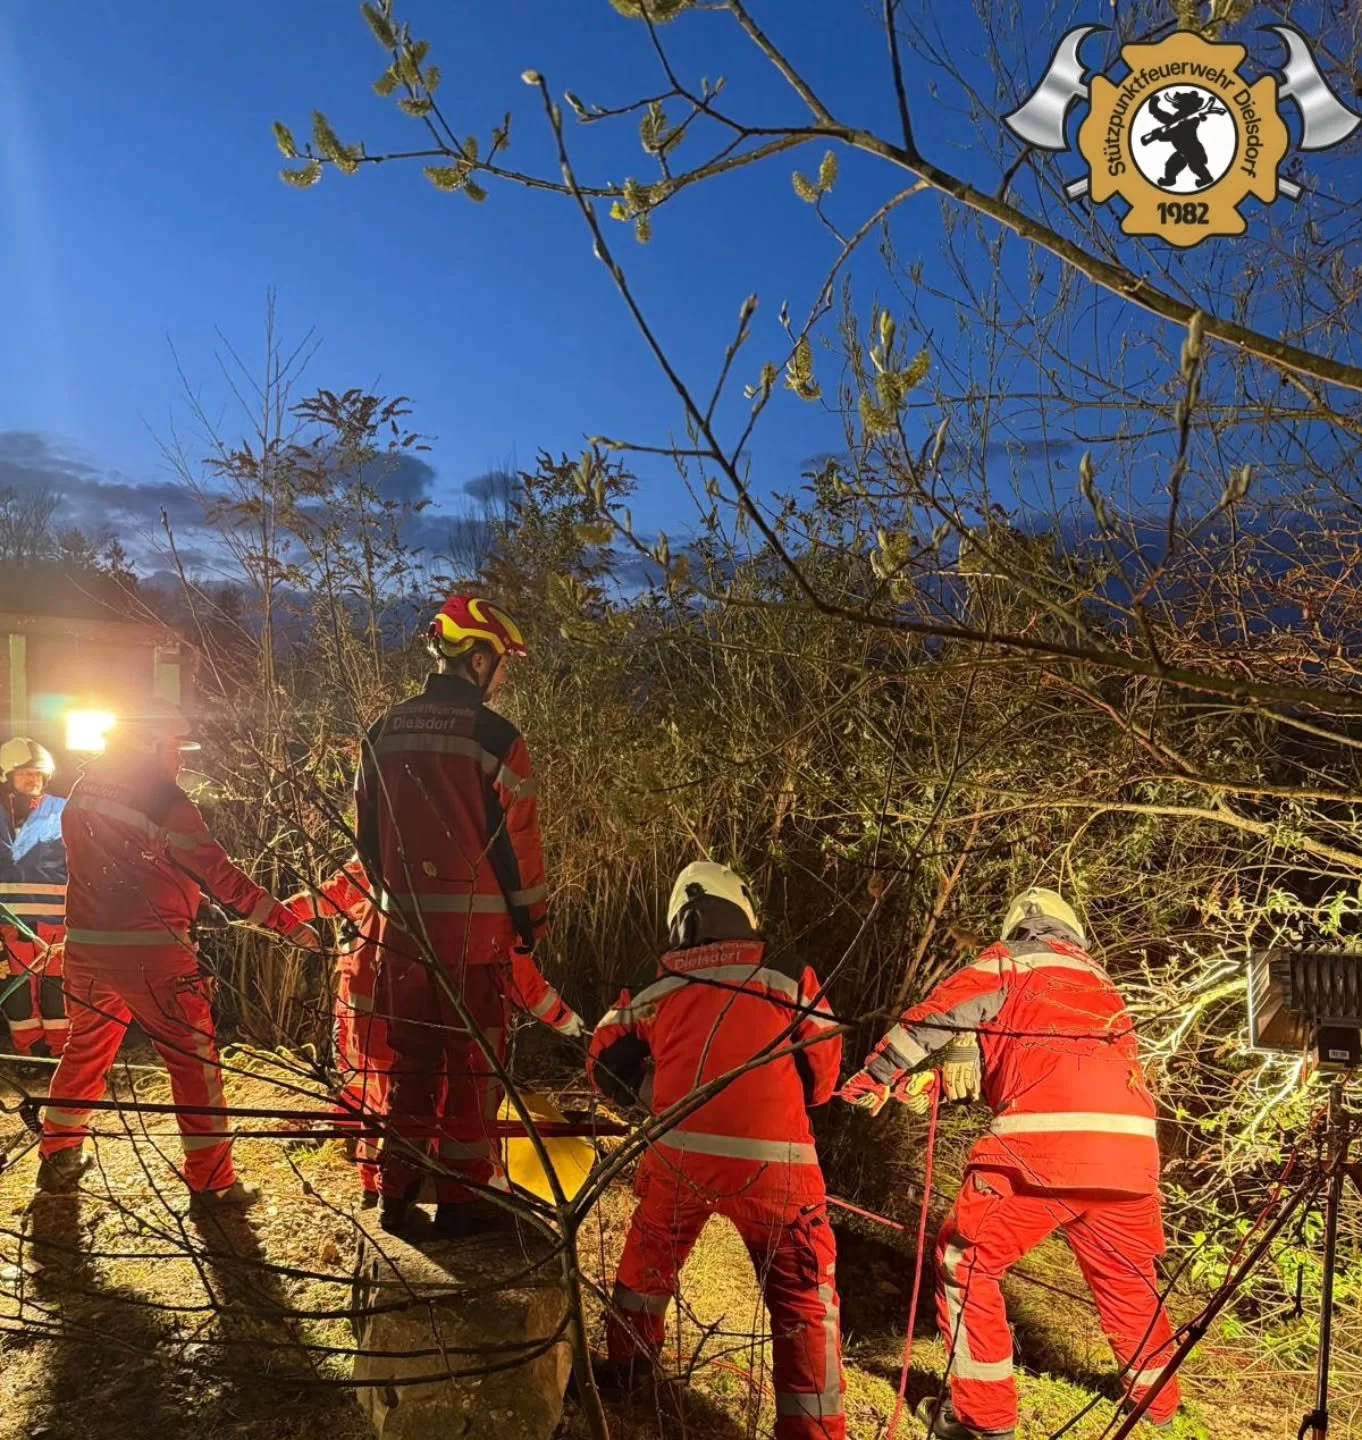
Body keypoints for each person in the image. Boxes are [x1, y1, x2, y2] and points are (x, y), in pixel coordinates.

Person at [840, 888, 1179, 1440]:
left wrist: (876, 1074)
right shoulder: (1104, 987)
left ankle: (982, 1420)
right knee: (1130, 1282)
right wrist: (944, 1078)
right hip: (1130, 1157)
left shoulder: (1012, 962)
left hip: (1039, 1152)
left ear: (1020, 926)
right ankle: (1161, 1409)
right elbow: (1051, 1066)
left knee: (966, 1264)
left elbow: (936, 1016)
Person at [588, 861, 846, 1440]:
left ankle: (628, 1370)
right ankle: (813, 1429)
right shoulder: (783, 974)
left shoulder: (656, 985)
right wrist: (790, 1096)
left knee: (646, 1264)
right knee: (801, 1297)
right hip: (777, 1166)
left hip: (678, 1157)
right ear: (743, 909)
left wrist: (655, 1094)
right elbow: (824, 1066)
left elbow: (603, 1060)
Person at [356, 594, 584, 1235]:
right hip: (476, 942)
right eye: (501, 662)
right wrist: (531, 927)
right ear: (478, 657)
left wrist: (398, 899)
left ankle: (397, 1195)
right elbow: (521, 846)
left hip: (401, 933)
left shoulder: (383, 730)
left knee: (411, 1065)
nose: (503, 675)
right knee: (472, 1070)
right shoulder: (497, 739)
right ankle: (461, 1203)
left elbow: (366, 837)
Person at [35, 700, 320, 1207]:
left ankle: (57, 1156)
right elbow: (222, 875)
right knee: (194, 1064)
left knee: (84, 1054)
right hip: (154, 958)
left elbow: (122, 865)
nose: (180, 761)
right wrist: (286, 924)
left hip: (85, 951)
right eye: (173, 748)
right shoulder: (163, 798)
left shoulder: (83, 788)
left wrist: (186, 897)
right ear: (148, 744)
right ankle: (212, 1183)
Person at [285, 856, 391, 1205]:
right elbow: (332, 894)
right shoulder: (375, 857)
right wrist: (282, 914)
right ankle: (346, 1128)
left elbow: (332, 895)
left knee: (373, 1079)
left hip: (374, 989)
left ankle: (374, 1177)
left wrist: (281, 915)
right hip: (355, 986)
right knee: (352, 1068)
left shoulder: (388, 854)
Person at [0, 738, 69, 1056]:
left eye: (39, 774)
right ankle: (27, 1052)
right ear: (6, 776)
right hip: (8, 922)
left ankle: (58, 1052)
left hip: (56, 919)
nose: (34, 779)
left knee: (58, 987)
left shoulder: (61, 811)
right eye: (26, 773)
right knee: (17, 990)